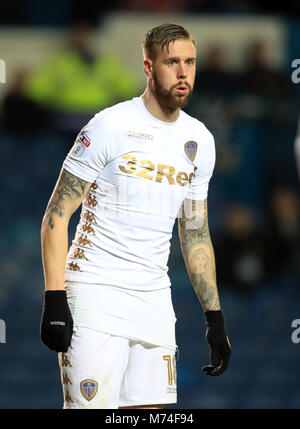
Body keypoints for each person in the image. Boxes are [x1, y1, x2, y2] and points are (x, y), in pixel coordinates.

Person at [40, 23, 231, 410]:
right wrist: (54, 299)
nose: (183, 72)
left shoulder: (200, 141)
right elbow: (57, 215)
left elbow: (194, 232)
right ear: (148, 67)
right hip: (94, 294)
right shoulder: (110, 125)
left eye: (190, 62)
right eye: (172, 62)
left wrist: (214, 316)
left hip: (154, 302)